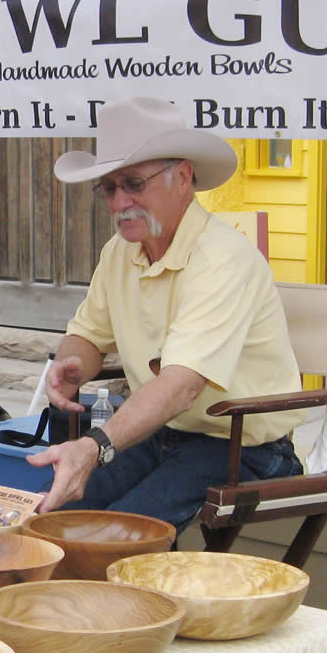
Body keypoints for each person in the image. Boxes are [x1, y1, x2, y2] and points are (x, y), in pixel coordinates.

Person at [29, 97, 305, 533]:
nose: (120, 202)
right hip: (162, 435)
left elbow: (180, 388)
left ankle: (140, 597)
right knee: (54, 520)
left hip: (242, 447)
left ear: (184, 177)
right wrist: (74, 363)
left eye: (134, 184)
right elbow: (88, 335)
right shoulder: (120, 251)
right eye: (109, 187)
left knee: (117, 535)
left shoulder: (221, 259)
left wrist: (96, 445)